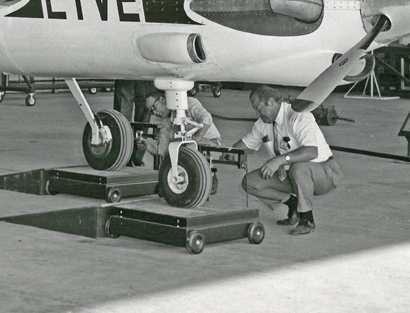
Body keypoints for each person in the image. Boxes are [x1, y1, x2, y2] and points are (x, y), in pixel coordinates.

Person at [230, 86, 342, 236]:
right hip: (292, 175)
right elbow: (243, 146)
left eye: (258, 109)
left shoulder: (299, 116)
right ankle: (293, 204)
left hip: (325, 172)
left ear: (270, 102)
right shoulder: (263, 124)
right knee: (250, 182)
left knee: (298, 168)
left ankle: (307, 220)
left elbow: (311, 151)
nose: (257, 113)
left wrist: (280, 160)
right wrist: (226, 153)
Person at [144, 91, 222, 161]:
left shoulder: (186, 103)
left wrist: (197, 137)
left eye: (154, 107)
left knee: (183, 154)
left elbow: (206, 118)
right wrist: (147, 146)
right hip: (190, 150)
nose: (155, 112)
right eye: (151, 111)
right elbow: (163, 151)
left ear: (162, 99)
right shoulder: (166, 123)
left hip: (210, 144)